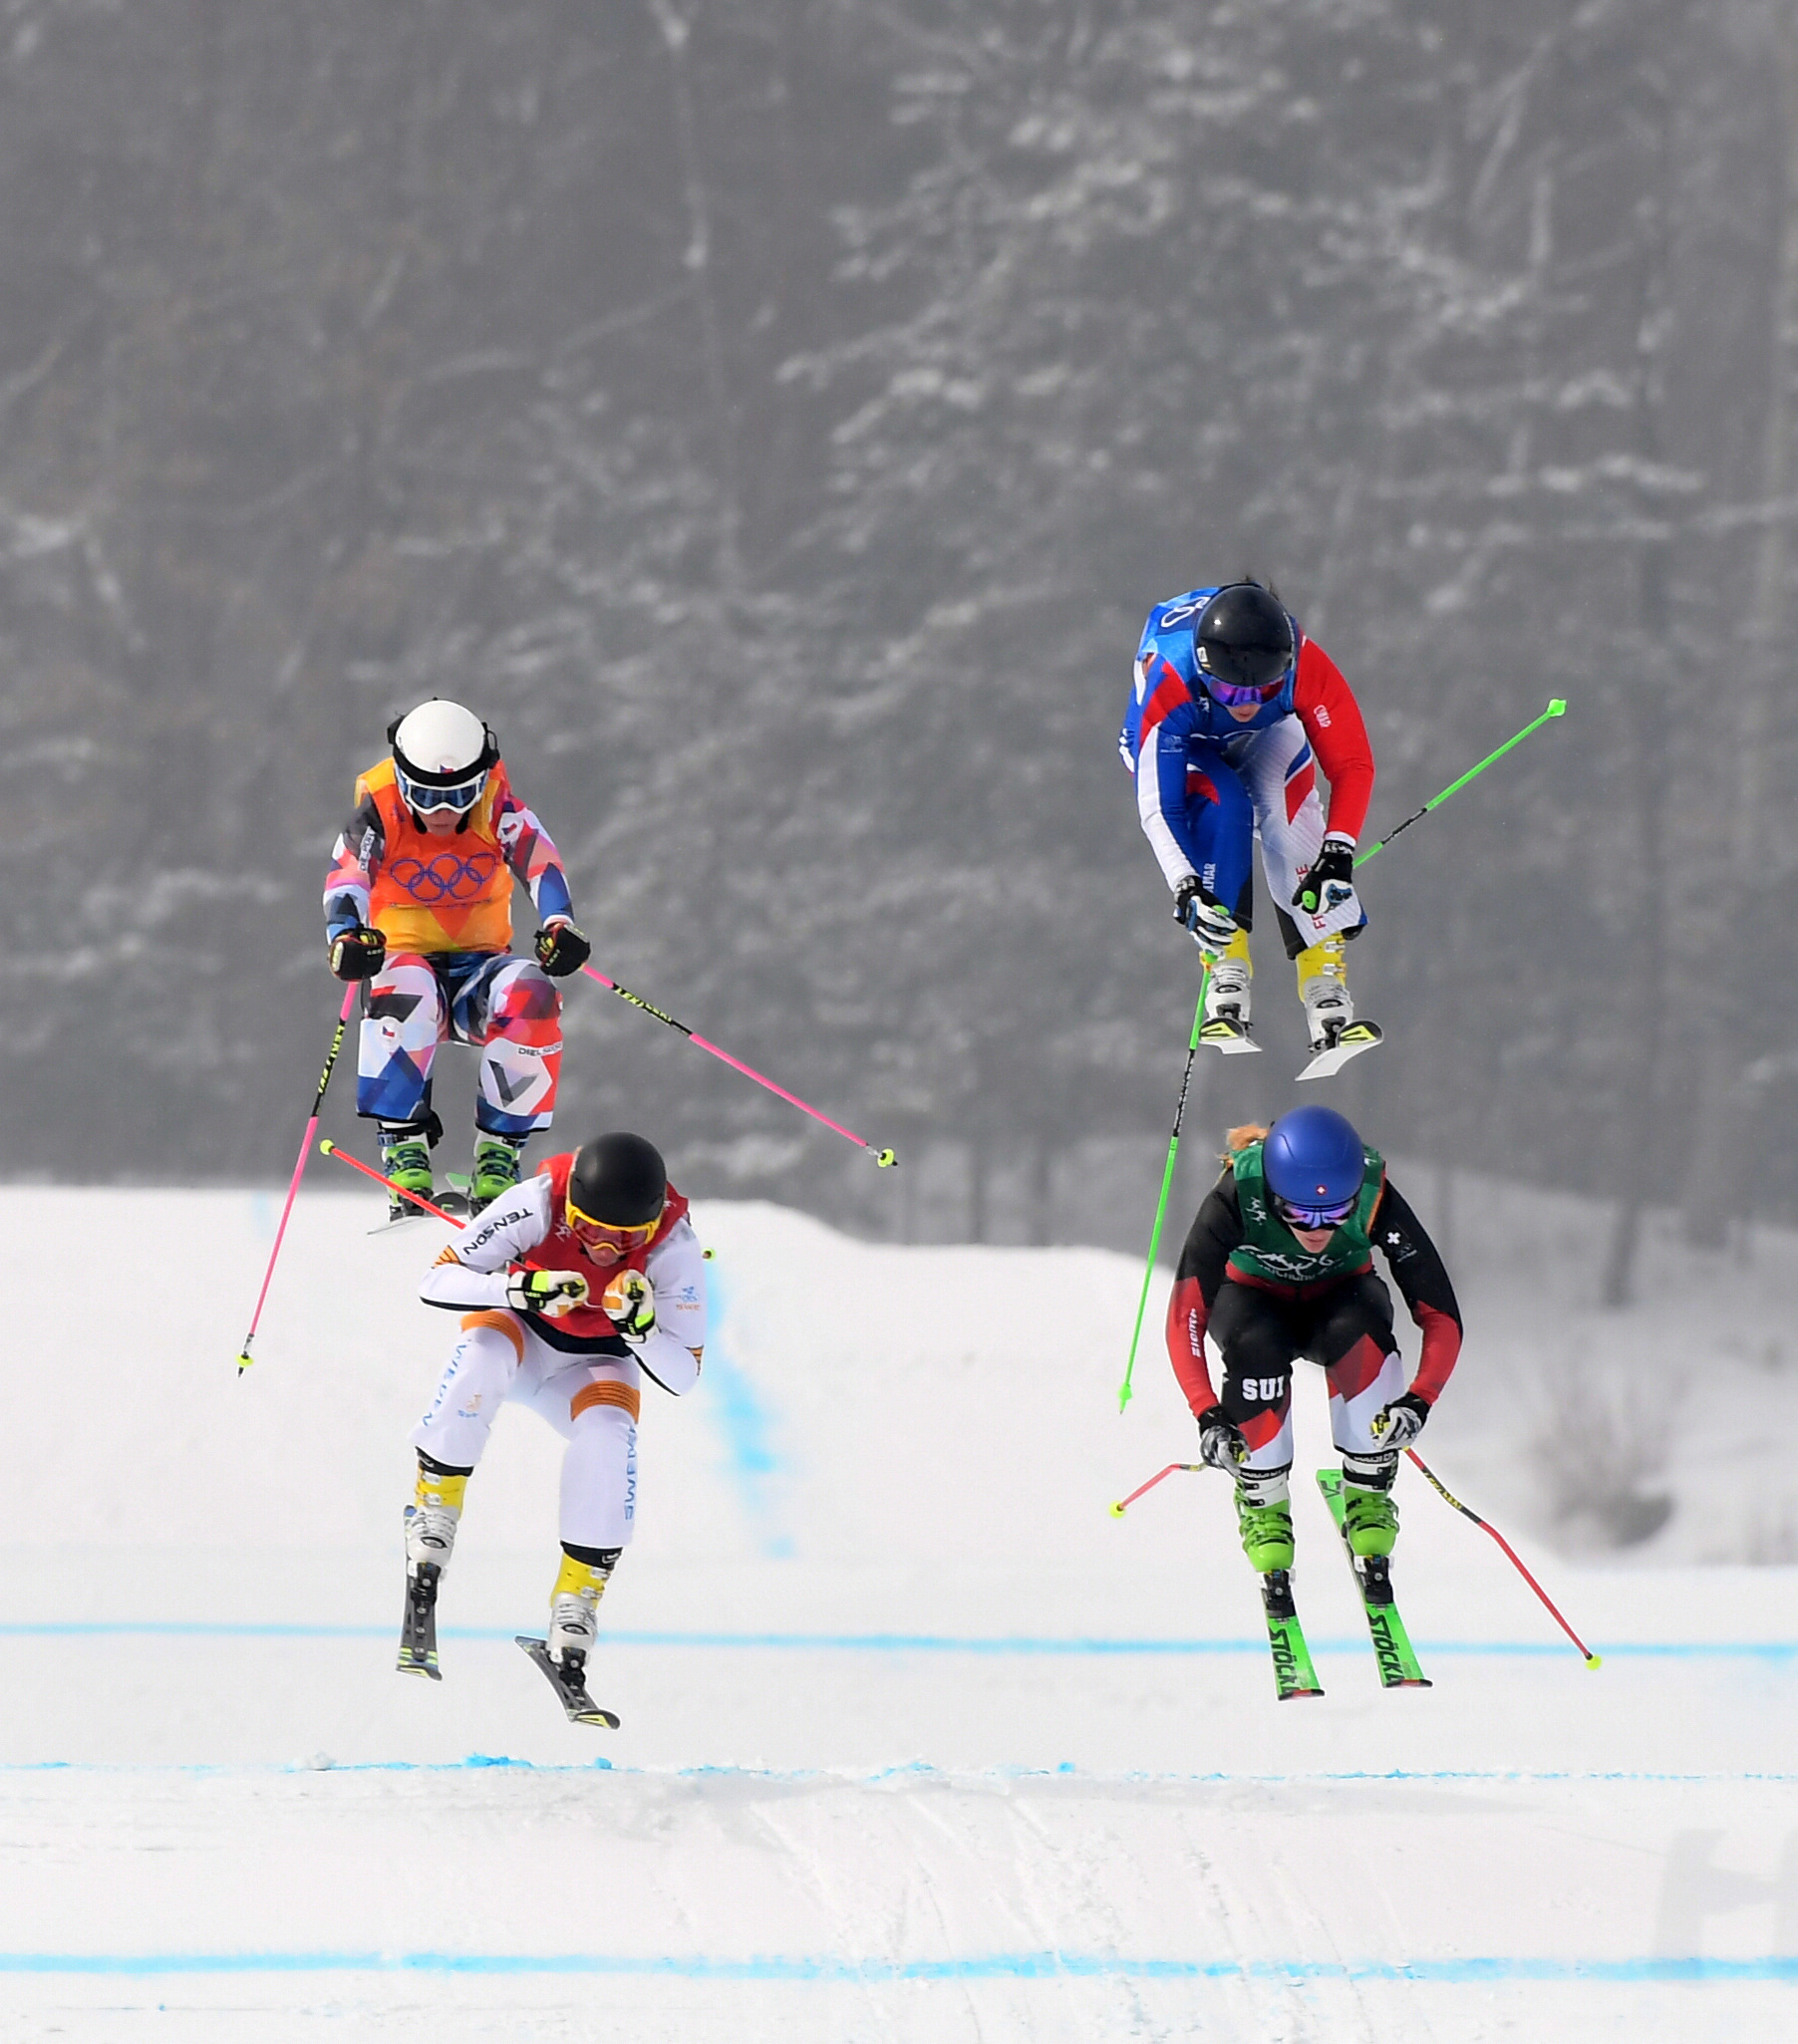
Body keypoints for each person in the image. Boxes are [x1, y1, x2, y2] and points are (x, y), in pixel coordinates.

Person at [401, 1130, 707, 1684]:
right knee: (481, 1353)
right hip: (520, 1337)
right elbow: (436, 1279)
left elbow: (684, 1373)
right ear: (572, 1207)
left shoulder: (674, 1247)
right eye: (589, 1229)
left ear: (652, 1224)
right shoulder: (537, 1201)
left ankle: (577, 1604)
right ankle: (435, 1513)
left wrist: (641, 1332)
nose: (604, 1250)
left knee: (611, 1435)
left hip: (590, 1367)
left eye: (625, 1238)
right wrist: (518, 1290)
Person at [1164, 1104, 1461, 1580]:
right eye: (1298, 1214)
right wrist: (1208, 1415)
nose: (1317, 1230)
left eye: (1336, 1214)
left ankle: (1368, 1492)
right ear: (1273, 1194)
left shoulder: (1373, 1192)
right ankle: (1263, 1503)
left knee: (1362, 1333)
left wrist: (1418, 1401)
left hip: (1339, 1301)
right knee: (1255, 1344)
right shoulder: (1238, 1194)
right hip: (1253, 1299)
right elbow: (1186, 1314)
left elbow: (1440, 1313)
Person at [322, 699, 592, 1220]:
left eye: (458, 797)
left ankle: (499, 1154)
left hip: (478, 974)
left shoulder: (498, 808)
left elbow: (542, 863)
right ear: (403, 781)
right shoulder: (378, 812)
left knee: (532, 992)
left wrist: (560, 925)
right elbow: (347, 876)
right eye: (423, 796)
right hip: (403, 963)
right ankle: (403, 1144)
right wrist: (346, 937)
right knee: (406, 985)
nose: (442, 812)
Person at [1118, 579, 1380, 1061]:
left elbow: (1353, 765)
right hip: (1180, 731)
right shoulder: (1173, 677)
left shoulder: (1303, 663)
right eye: (1227, 688)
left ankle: (1325, 980)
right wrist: (1186, 886)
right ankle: (1226, 967)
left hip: (1266, 731)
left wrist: (1339, 851)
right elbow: (1159, 808)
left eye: (1266, 688)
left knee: (1290, 808)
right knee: (1225, 802)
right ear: (1203, 670)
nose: (1244, 703)